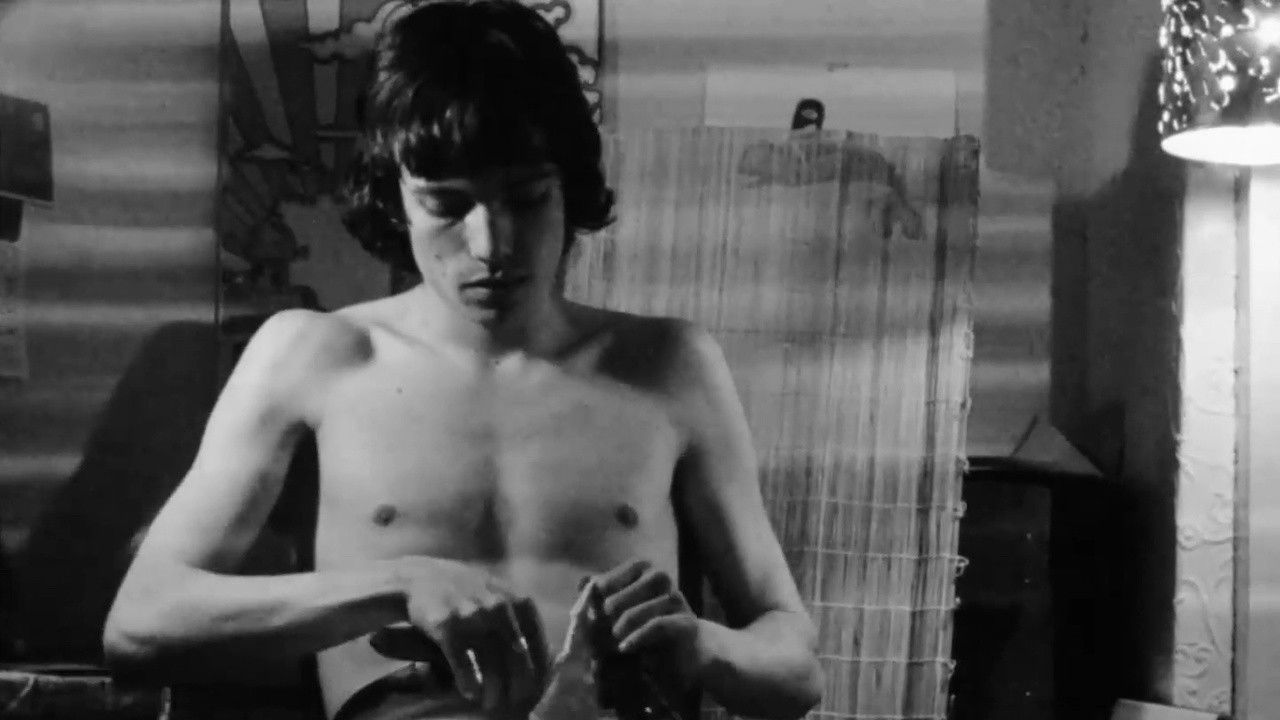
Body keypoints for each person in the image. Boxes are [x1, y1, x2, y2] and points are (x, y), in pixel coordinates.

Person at [102, 2, 824, 719]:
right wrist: (398, 584)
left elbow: (795, 669)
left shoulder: (670, 364)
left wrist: (703, 646)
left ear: (568, 190)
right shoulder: (314, 356)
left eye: (527, 199)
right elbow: (140, 624)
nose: (490, 246)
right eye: (446, 205)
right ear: (396, 200)